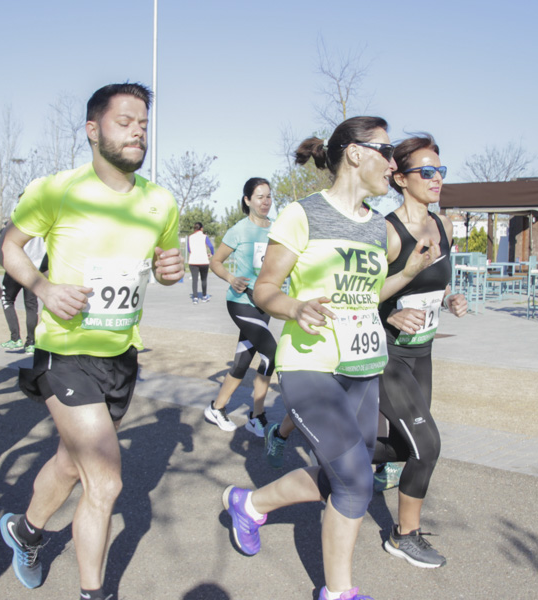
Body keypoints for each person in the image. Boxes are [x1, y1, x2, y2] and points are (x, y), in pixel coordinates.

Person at [221, 117, 433, 600]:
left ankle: (249, 504)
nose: (394, 163)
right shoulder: (302, 214)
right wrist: (295, 306)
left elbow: (369, 293)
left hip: (362, 369)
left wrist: (409, 274)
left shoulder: (380, 227)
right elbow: (265, 288)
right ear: (355, 153)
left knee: (344, 476)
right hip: (309, 366)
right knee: (357, 481)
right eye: (387, 150)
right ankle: (338, 592)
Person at [0, 83, 183, 599]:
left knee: (71, 463)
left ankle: (26, 530)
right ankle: (93, 593)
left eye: (143, 123)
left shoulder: (159, 201)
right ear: (93, 129)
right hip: (65, 353)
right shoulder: (57, 190)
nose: (137, 132)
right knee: (105, 480)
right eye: (125, 121)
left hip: (120, 355)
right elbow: (9, 245)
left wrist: (169, 272)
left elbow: (165, 266)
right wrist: (42, 285)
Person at [372, 135, 468, 569]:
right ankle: (404, 535)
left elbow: (438, 281)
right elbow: (358, 296)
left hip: (422, 354)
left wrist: (451, 299)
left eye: (441, 171)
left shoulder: (443, 225)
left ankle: (340, 460)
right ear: (400, 178)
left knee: (400, 448)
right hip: (387, 355)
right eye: (426, 172)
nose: (436, 179)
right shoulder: (387, 232)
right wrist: (388, 316)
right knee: (426, 446)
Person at [204, 177, 277, 436]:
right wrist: (231, 278)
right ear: (247, 200)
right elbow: (216, 261)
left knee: (243, 361)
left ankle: (217, 407)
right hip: (241, 302)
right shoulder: (239, 230)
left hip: (266, 304)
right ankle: (257, 416)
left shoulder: (277, 229)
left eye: (269, 196)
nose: (265, 201)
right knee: (271, 352)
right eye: (259, 197)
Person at [0, 223, 47, 353]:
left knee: (6, 299)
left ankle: (15, 338)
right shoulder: (44, 218)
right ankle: (31, 342)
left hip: (17, 264)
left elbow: (7, 236)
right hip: (34, 267)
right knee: (31, 305)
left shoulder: (20, 212)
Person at [187, 221, 213, 303]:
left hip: (193, 261)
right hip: (204, 261)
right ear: (201, 229)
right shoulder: (205, 237)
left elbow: (189, 249)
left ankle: (195, 298)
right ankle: (204, 296)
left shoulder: (190, 237)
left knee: (195, 280)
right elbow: (211, 246)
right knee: (204, 279)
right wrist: (211, 253)